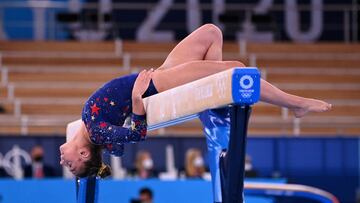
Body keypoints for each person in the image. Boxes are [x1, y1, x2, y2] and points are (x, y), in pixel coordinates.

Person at [59, 24, 332, 178]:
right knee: (236, 70)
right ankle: (296, 104)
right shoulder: (94, 132)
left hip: (160, 76)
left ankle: (212, 93)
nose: (63, 162)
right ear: (83, 153)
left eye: (67, 166)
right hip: (157, 86)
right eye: (71, 164)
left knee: (212, 33)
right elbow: (138, 134)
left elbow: (118, 146)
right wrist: (135, 100)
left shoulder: (96, 133)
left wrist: (108, 147)